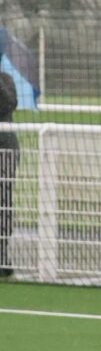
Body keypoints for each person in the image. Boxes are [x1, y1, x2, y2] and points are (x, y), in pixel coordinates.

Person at [0, 63, 17, 277]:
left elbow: (9, 103)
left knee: (3, 203)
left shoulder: (6, 80)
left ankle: (2, 254)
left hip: (5, 150)